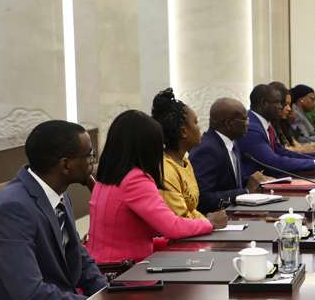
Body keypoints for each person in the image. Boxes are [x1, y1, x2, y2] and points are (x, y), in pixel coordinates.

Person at [0, 120, 107, 300]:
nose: (93, 161)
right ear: (66, 165)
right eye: (89, 155)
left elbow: (79, 257)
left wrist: (105, 294)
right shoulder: (11, 209)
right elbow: (30, 294)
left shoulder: (59, 194)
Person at [87, 110, 226, 264]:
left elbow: (128, 234)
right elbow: (171, 227)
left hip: (105, 266)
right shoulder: (135, 180)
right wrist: (209, 222)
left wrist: (163, 243)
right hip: (125, 271)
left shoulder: (108, 176)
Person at [191, 97, 270, 213]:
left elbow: (231, 184)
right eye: (244, 119)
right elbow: (204, 199)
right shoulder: (206, 150)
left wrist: (255, 181)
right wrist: (246, 192)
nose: (248, 123)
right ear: (229, 123)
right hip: (216, 218)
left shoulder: (231, 143)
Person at [239, 83, 315, 178]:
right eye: (277, 102)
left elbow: (282, 152)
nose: (281, 106)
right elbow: (273, 162)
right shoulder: (252, 128)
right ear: (264, 103)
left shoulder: (266, 125)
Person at [151, 88, 218, 220]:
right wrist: (208, 221)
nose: (199, 128)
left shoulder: (184, 161)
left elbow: (191, 210)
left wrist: (207, 219)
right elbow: (179, 218)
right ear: (183, 132)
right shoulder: (166, 170)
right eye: (196, 122)